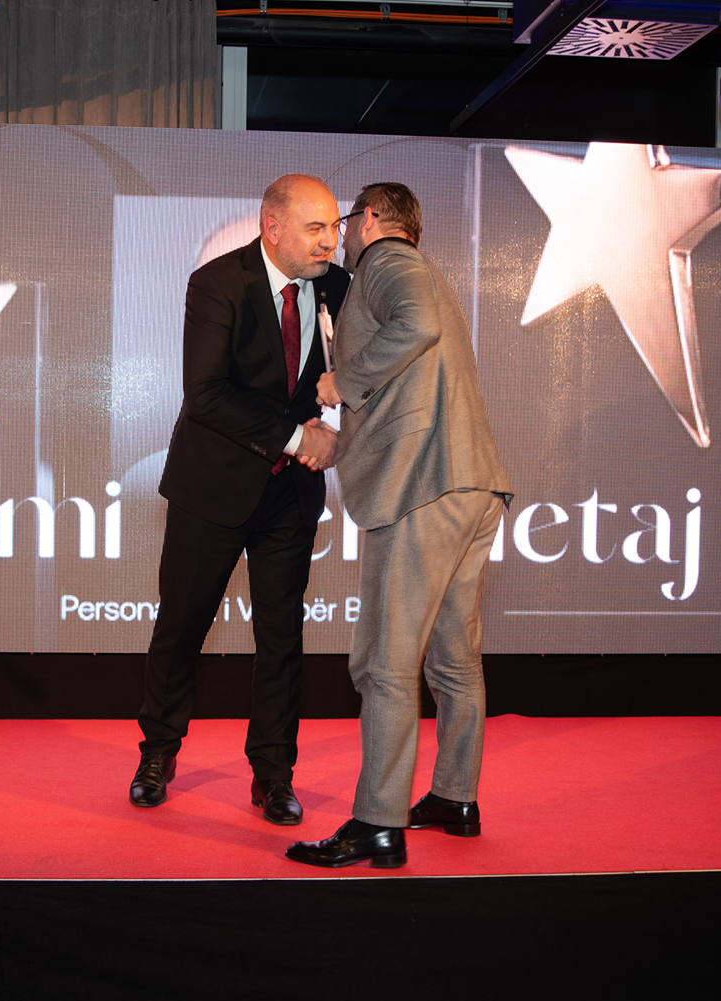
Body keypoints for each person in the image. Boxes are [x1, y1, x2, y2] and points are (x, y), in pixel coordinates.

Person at [288, 182, 510, 868]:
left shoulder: (388, 261)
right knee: (453, 658)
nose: (340, 237)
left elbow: (415, 326)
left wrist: (343, 381)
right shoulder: (421, 270)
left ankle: (377, 822)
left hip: (421, 486)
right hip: (468, 483)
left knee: (384, 662)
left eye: (346, 221)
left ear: (373, 218)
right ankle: (455, 798)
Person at [130, 174, 349, 825]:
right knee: (182, 627)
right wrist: (297, 435)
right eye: (316, 228)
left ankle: (274, 775)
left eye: (335, 227)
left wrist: (336, 425)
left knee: (281, 638)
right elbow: (206, 395)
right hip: (213, 486)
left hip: (291, 494)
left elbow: (352, 376)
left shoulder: (338, 287)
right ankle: (157, 753)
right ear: (272, 227)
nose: (329, 242)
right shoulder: (218, 283)